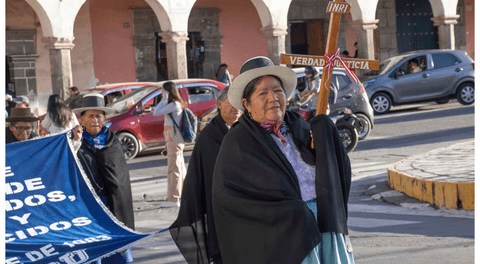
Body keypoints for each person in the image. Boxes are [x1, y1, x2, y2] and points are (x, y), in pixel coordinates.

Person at [212, 56, 354, 263]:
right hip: (285, 235)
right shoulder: (238, 142)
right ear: (246, 104)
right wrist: (290, 212)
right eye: (263, 93)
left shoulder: (300, 126)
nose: (273, 97)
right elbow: (229, 197)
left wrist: (325, 138)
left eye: (277, 90)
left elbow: (330, 169)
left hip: (325, 223)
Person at [169, 86, 242, 264]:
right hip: (220, 210)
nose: (236, 108)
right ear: (219, 104)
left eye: (239, 103)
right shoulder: (210, 136)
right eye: (230, 103)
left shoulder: (245, 130)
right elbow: (208, 177)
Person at [71, 93, 135, 264]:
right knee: (94, 255)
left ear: (105, 119)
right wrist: (76, 144)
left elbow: (119, 179)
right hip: (89, 209)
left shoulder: (113, 142)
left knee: (118, 255)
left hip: (114, 208)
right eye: (90, 116)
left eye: (99, 116)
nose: (95, 120)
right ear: (81, 120)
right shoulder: (74, 142)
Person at [153, 81, 187, 208]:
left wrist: (164, 99)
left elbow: (156, 112)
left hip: (174, 138)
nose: (161, 92)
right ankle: (182, 195)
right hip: (174, 138)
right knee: (179, 167)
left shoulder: (174, 104)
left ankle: (174, 200)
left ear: (168, 91)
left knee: (174, 169)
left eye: (163, 90)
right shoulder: (174, 104)